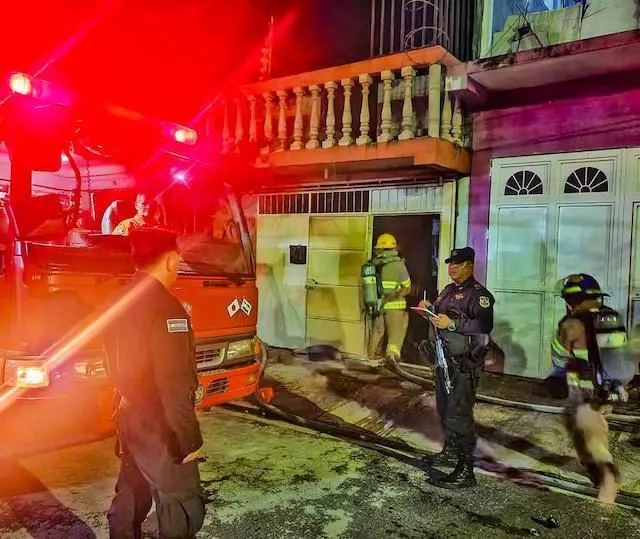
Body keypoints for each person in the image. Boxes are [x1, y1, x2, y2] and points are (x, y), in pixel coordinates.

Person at [103, 227, 205, 539]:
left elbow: (111, 360)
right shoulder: (166, 308)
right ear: (172, 261)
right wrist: (189, 440)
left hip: (129, 415)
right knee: (181, 502)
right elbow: (172, 383)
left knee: (133, 488)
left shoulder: (117, 299)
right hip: (159, 424)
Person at [552, 273, 635, 504]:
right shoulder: (612, 318)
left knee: (590, 438)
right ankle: (600, 471)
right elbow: (620, 359)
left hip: (584, 392)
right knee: (595, 430)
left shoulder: (569, 324)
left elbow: (559, 360)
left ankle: (608, 479)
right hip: (610, 390)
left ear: (572, 300)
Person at [418, 246, 494, 489]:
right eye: (450, 263)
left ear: (469, 266)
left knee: (459, 416)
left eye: (457, 263)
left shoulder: (478, 294)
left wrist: (453, 324)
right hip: (443, 361)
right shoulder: (448, 290)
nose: (451, 267)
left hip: (463, 364)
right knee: (444, 409)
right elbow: (438, 316)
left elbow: (484, 325)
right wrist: (427, 308)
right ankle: (450, 452)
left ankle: (466, 470)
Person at [367, 233, 411, 362]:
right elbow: (407, 287)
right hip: (394, 308)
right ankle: (392, 360)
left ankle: (373, 359)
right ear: (394, 248)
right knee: (395, 335)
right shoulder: (399, 265)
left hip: (377, 306)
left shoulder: (373, 264)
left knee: (378, 333)